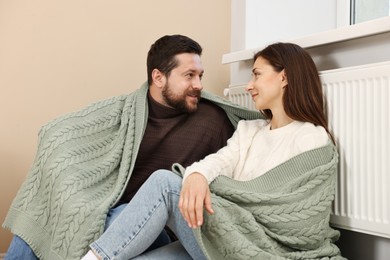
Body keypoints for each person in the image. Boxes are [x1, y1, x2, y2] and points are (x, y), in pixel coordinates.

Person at [2, 35, 261, 260]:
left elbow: (235, 166)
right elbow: (57, 134)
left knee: (116, 217)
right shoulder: (127, 111)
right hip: (114, 209)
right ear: (158, 77)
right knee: (50, 213)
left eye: (200, 75)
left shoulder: (212, 121)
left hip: (161, 222)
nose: (199, 85)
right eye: (189, 76)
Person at [81, 42, 345, 260]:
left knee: (165, 182)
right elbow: (218, 161)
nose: (249, 85)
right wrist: (197, 176)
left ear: (284, 77)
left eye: (256, 74)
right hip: (222, 235)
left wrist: (218, 194)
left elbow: (296, 220)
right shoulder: (250, 130)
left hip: (260, 247)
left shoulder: (310, 138)